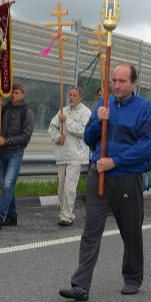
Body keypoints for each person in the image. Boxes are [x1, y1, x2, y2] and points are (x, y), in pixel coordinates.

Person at [59, 63, 151, 301]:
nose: (116, 85)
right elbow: (90, 138)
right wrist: (97, 121)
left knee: (130, 231)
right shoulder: (104, 104)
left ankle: (133, 277)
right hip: (98, 177)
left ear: (134, 83)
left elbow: (148, 147)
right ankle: (80, 285)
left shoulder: (145, 108)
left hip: (125, 178)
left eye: (122, 81)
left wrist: (116, 161)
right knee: (91, 231)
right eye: (114, 80)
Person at [0, 83, 35, 229]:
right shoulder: (5, 107)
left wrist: (6, 141)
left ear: (23, 94)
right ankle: (12, 216)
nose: (14, 95)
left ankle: (0, 216)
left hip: (16, 153)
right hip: (2, 152)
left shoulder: (27, 112)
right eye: (13, 92)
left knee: (8, 184)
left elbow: (25, 137)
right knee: (6, 186)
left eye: (18, 92)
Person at [48, 86, 91, 226]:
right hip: (62, 154)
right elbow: (51, 127)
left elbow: (83, 131)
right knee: (61, 188)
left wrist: (66, 121)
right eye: (70, 95)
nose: (71, 97)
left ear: (80, 97)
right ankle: (66, 213)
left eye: (74, 95)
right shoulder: (63, 111)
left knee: (69, 187)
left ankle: (66, 216)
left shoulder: (86, 112)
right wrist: (57, 137)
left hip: (76, 155)